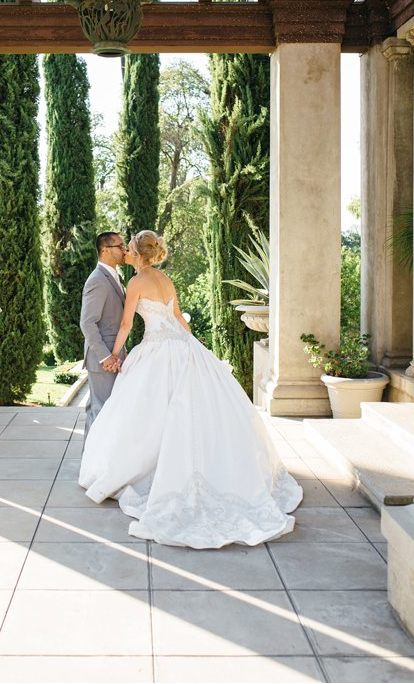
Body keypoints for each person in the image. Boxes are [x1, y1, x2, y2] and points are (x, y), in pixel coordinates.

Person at [78, 230, 302, 548]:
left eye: (128, 247)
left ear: (137, 254)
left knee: (149, 411)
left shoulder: (136, 282)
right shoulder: (165, 280)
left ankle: (145, 467)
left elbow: (127, 325)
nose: (125, 251)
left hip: (156, 350)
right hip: (182, 347)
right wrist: (197, 345)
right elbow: (179, 319)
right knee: (189, 410)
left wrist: (114, 355)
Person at [78, 232, 129, 424]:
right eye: (120, 246)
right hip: (104, 359)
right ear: (106, 250)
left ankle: (92, 454)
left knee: (101, 411)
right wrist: (105, 356)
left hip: (114, 355)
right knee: (101, 412)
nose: (124, 250)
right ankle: (92, 455)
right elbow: (87, 322)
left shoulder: (113, 276)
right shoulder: (97, 279)